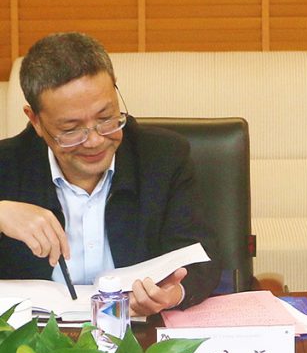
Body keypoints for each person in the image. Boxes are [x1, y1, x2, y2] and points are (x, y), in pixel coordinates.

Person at [0, 32, 220, 314]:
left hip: (135, 328)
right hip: (31, 335)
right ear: (36, 121)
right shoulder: (6, 165)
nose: (94, 141)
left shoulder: (164, 157)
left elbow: (200, 255)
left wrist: (173, 293)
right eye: (71, 129)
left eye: (106, 118)